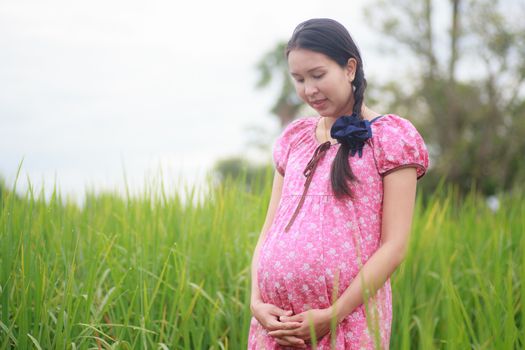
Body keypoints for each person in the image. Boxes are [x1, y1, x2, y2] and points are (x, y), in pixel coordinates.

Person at [247, 18, 429, 349]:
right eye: (298, 79)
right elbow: (268, 230)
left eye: (318, 75)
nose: (309, 90)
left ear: (349, 68)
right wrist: (256, 302)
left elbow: (394, 246)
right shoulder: (294, 139)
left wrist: (333, 313)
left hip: (347, 320)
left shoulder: (391, 138)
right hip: (276, 323)